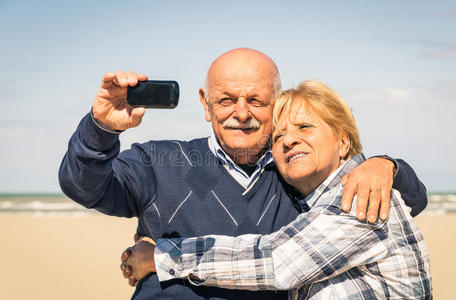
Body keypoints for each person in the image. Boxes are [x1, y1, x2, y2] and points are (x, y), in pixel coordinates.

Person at [59, 48, 427, 300]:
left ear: (275, 102)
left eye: (256, 101)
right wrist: (101, 130)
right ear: (205, 103)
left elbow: (276, 260)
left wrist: (385, 165)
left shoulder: (299, 175)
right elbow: (84, 187)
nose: (241, 112)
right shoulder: (159, 159)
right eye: (226, 99)